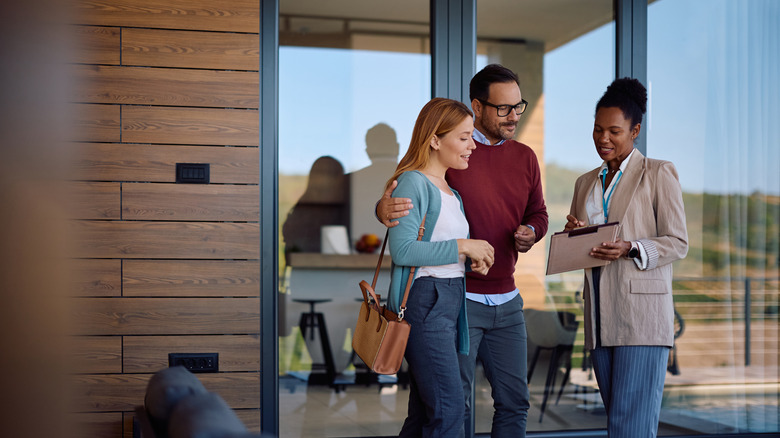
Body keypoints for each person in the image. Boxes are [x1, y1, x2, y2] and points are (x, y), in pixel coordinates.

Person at [378, 64, 548, 438]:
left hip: (502, 297)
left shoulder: (517, 159)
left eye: (518, 106)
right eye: (503, 108)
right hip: (454, 300)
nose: (513, 115)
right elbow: (408, 195)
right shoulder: (450, 160)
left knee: (494, 404)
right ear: (478, 105)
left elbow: (538, 212)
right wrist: (382, 208)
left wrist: (532, 231)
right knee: (447, 407)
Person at [564, 77, 688, 438]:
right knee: (617, 424)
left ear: (635, 131)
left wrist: (632, 247)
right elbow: (585, 248)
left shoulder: (658, 173)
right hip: (600, 317)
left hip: (642, 319)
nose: (604, 138)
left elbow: (677, 241)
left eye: (614, 131)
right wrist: (577, 234)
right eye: (598, 129)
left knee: (629, 427)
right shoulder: (585, 182)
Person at [385, 98, 494, 437]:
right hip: (425, 301)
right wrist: (463, 246)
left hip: (450, 300)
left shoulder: (451, 193)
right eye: (463, 137)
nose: (472, 145)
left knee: (425, 413)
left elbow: (440, 252)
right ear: (434, 139)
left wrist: (472, 260)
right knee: (449, 408)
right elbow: (403, 251)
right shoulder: (412, 183)